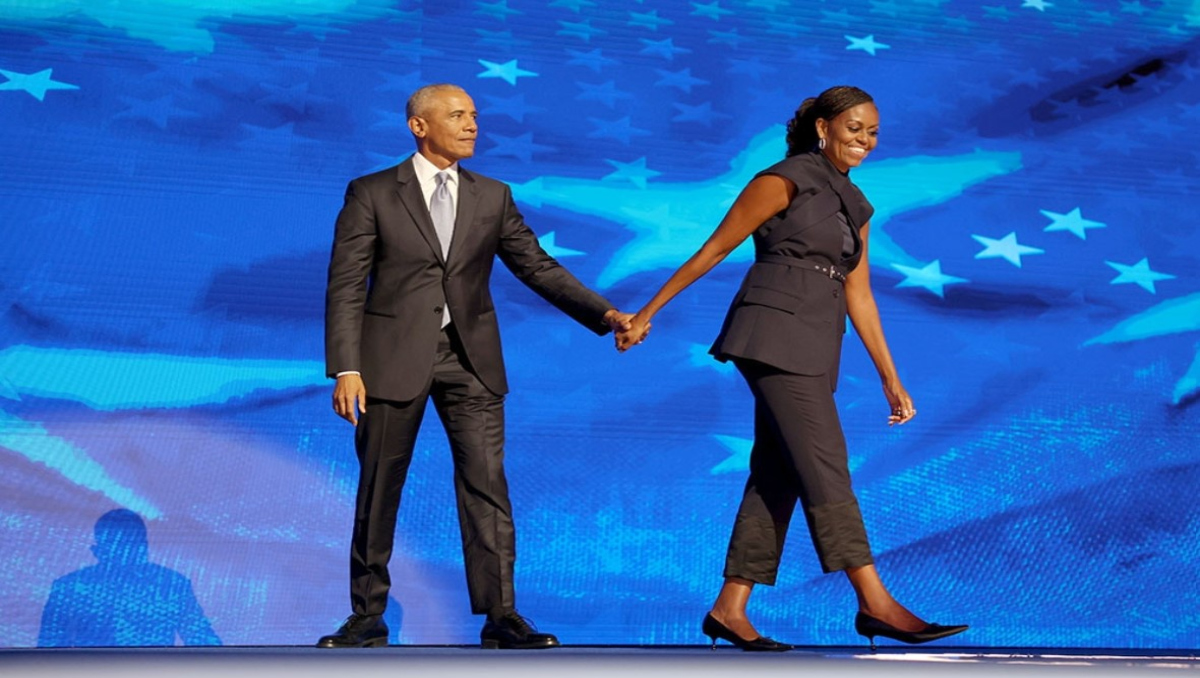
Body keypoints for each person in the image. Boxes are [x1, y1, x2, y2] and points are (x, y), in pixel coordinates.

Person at [616, 86, 967, 651]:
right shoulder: (783, 179)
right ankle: (875, 602)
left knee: (778, 473)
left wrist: (890, 377)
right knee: (825, 465)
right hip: (772, 334)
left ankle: (729, 609)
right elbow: (714, 249)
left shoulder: (857, 205)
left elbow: (860, 296)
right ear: (823, 127)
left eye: (873, 132)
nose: (865, 140)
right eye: (854, 128)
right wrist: (646, 313)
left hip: (818, 342)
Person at [321, 83, 633, 650]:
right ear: (419, 126)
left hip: (472, 361)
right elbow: (345, 284)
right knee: (379, 487)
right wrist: (347, 368)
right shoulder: (372, 192)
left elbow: (537, 266)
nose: (471, 126)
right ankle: (367, 614)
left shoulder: (492, 195)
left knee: (487, 485)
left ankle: (501, 614)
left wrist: (604, 312)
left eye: (474, 116)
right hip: (391, 359)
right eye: (457, 115)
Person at [38, 509, 221, 647]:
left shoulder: (173, 585)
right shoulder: (68, 588)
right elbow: (47, 653)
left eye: (131, 544)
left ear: (145, 546)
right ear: (97, 550)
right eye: (115, 545)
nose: (125, 553)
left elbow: (203, 641)